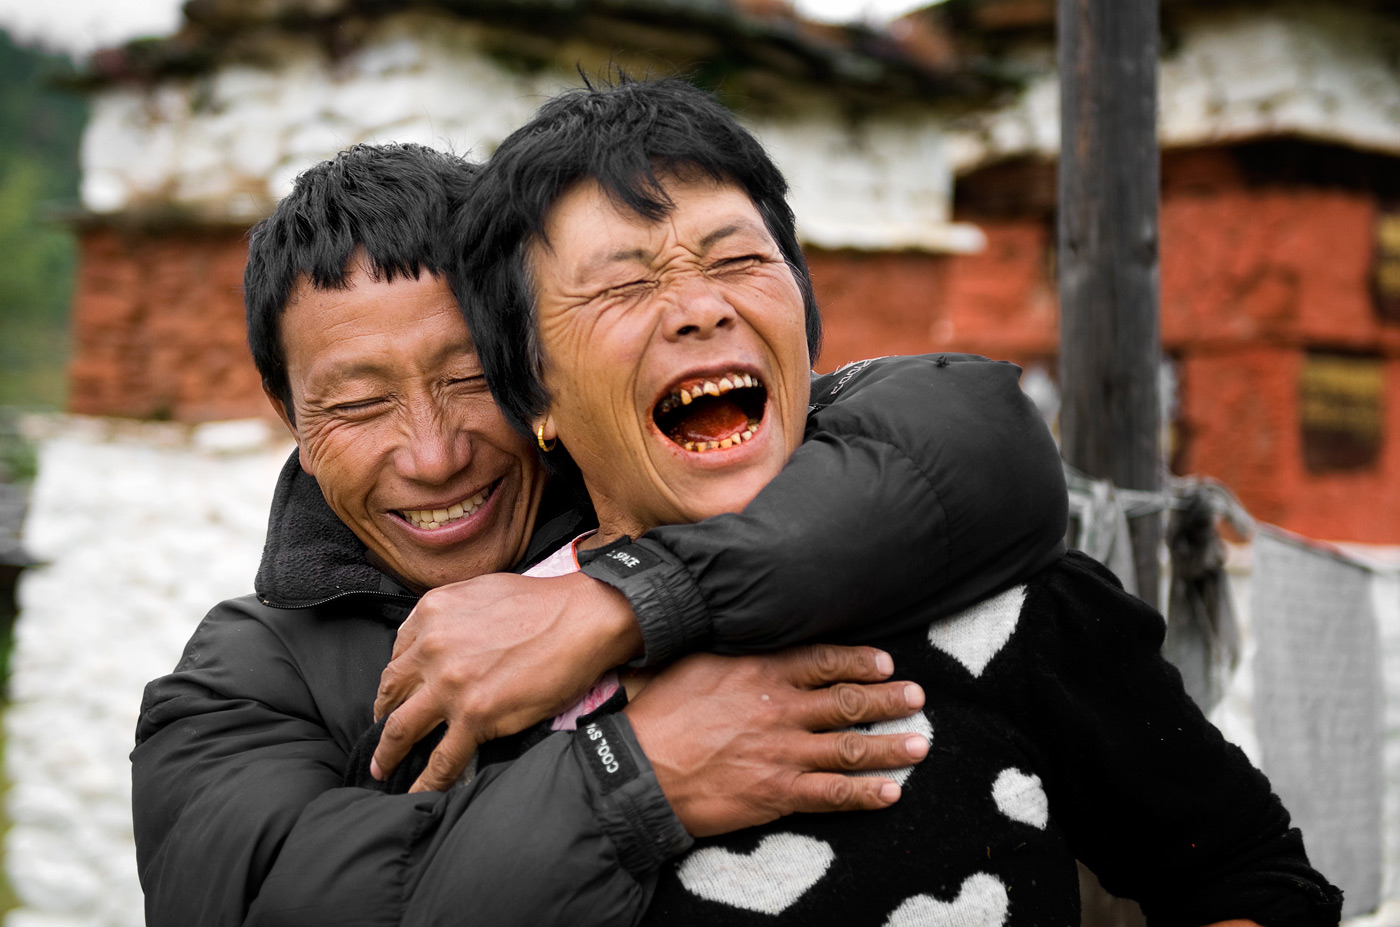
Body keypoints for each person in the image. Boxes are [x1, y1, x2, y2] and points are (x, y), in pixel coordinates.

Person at [427, 74, 1344, 925]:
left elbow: (1250, 872)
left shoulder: (1004, 602)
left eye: (737, 259)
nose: (699, 308)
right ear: (534, 393)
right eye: (626, 283)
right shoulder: (486, 675)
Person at [131, 142, 1069, 925]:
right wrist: (634, 775)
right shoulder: (244, 681)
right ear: (285, 411)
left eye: (469, 380)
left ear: (536, 363)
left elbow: (974, 438)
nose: (432, 456)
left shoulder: (676, 479)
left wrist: (622, 600)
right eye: (361, 402)